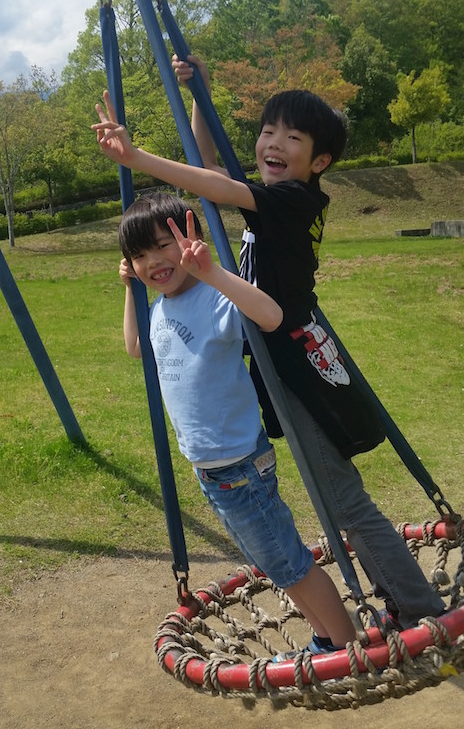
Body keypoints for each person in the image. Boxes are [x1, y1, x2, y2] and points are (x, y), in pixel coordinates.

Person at [93, 76, 446, 631]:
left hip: (296, 366)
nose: (273, 143)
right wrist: (198, 96)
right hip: (292, 355)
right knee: (340, 499)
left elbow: (212, 184)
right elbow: (208, 169)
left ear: (319, 161)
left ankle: (418, 608)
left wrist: (134, 157)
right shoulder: (280, 201)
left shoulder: (292, 200)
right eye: (267, 131)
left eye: (293, 137)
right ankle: (405, 600)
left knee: (343, 500)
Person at [118, 191, 356, 655]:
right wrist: (131, 290)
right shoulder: (160, 307)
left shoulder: (212, 298)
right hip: (211, 469)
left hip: (241, 466)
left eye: (163, 246)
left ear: (189, 240)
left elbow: (270, 315)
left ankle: (346, 648)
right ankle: (327, 636)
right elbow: (136, 347)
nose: (154, 262)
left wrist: (212, 272)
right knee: (276, 563)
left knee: (290, 563)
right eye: (140, 255)